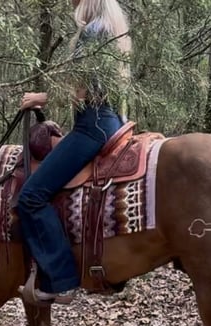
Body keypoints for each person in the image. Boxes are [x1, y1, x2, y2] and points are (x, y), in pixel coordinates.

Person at [16, 0, 132, 305]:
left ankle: (62, 280)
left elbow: (78, 90)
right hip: (110, 121)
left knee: (30, 196)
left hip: (91, 126)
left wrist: (39, 97)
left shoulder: (92, 32)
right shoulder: (112, 29)